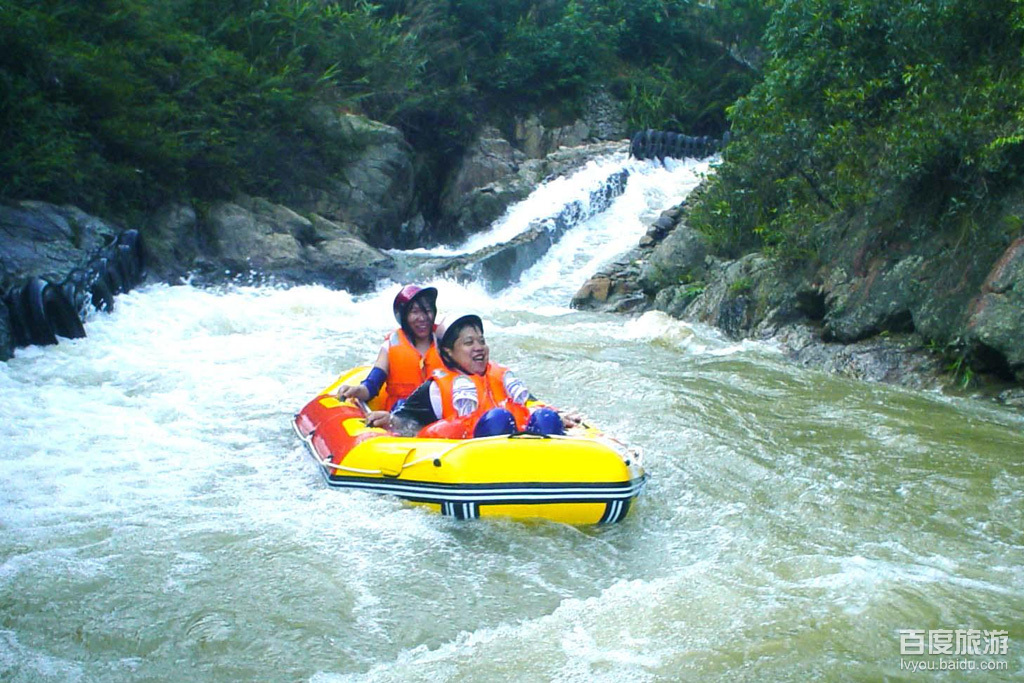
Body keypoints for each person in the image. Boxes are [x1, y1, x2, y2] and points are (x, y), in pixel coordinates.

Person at [365, 310, 576, 438]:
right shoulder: (436, 389)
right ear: (448, 351)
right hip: (472, 460)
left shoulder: (501, 377)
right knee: (498, 419)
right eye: (469, 343)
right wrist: (390, 420)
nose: (479, 348)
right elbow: (407, 421)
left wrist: (558, 415)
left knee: (546, 418)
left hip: (522, 452)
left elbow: (531, 404)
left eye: (481, 341)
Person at [337, 284, 443, 410]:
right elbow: (371, 385)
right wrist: (357, 391)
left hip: (439, 414)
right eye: (414, 312)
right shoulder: (391, 345)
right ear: (404, 317)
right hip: (400, 415)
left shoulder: (447, 341)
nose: (422, 318)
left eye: (427, 311)